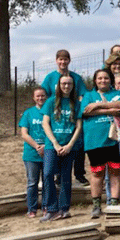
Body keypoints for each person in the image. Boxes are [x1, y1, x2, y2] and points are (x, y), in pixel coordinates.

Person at [80, 69, 120, 217]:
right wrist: (108, 109)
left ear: (111, 80)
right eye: (99, 78)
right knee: (97, 173)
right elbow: (85, 112)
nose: (103, 81)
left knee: (115, 172)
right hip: (94, 140)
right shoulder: (88, 95)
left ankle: (113, 204)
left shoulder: (118, 93)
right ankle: (96, 205)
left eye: (106, 78)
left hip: (114, 141)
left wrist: (96, 106)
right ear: (95, 80)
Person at [41, 49, 88, 186]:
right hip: (56, 114)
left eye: (65, 59)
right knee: (55, 146)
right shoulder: (50, 77)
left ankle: (79, 174)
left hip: (72, 113)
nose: (63, 62)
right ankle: (57, 175)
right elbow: (44, 94)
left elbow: (83, 94)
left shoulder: (76, 77)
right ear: (56, 61)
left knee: (77, 144)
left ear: (69, 61)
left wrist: (77, 103)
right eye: (60, 59)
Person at [40, 75, 82, 221]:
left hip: (69, 146)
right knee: (47, 174)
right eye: (64, 83)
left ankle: (64, 209)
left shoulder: (75, 103)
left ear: (73, 86)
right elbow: (45, 123)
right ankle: (51, 209)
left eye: (69, 83)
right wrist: (55, 144)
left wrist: (70, 145)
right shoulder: (51, 102)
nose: (66, 86)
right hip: (52, 146)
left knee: (66, 177)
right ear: (59, 85)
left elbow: (78, 126)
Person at [20, 87, 47, 218]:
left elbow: (55, 131)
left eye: (42, 96)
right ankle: (32, 208)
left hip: (48, 151)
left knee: (48, 181)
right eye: (38, 96)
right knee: (32, 182)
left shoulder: (50, 112)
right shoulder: (28, 113)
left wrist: (46, 146)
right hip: (31, 154)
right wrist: (37, 146)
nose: (40, 98)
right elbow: (24, 134)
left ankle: (47, 206)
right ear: (33, 98)